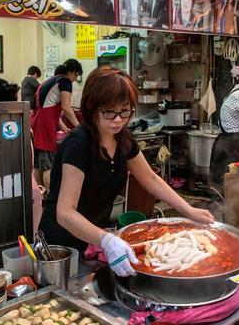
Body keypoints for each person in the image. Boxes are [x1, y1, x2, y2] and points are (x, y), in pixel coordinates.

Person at [38, 66, 214, 276]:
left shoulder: (123, 139)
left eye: (125, 111)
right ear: (91, 108)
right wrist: (107, 240)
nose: (118, 120)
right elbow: (65, 212)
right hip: (61, 247)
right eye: (109, 112)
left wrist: (188, 210)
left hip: (95, 237)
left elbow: (150, 178)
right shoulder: (78, 144)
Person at [31, 58, 82, 190]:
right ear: (71, 72)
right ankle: (49, 196)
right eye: (76, 75)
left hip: (36, 123)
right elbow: (66, 107)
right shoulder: (65, 82)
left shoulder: (51, 80)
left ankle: (39, 197)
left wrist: (65, 128)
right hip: (45, 126)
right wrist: (80, 127)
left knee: (38, 165)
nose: (75, 79)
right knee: (49, 166)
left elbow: (51, 109)